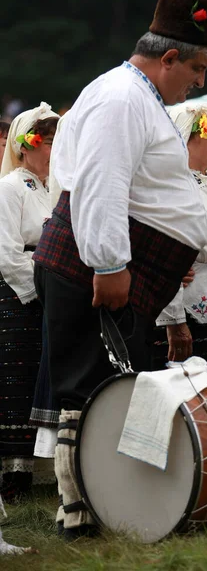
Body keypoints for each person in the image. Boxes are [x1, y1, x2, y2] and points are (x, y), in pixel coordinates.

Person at [32, 0, 207, 539]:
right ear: (167, 58)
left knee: (111, 387)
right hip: (93, 268)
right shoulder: (121, 97)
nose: (200, 82)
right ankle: (79, 516)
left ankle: (107, 507)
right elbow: (101, 185)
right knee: (86, 391)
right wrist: (111, 263)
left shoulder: (136, 96)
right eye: (197, 67)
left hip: (115, 266)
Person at [0, 103, 58, 501]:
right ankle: (14, 475)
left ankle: (44, 469)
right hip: (20, 293)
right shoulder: (9, 188)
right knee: (17, 379)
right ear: (27, 145)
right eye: (50, 142)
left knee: (44, 374)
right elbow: (5, 251)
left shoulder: (54, 188)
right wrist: (40, 287)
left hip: (52, 291)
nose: (56, 149)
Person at [153, 103, 207, 367]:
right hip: (188, 301)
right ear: (183, 137)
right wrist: (174, 321)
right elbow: (164, 258)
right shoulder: (174, 188)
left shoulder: (206, 183)